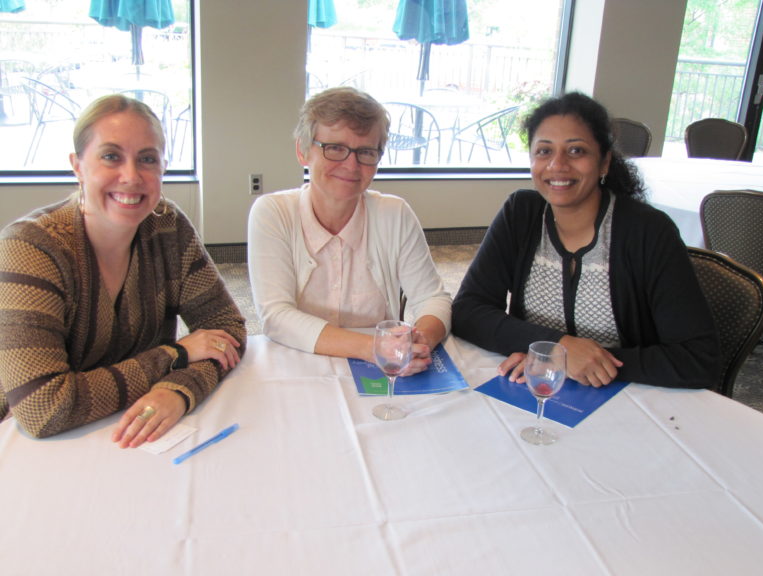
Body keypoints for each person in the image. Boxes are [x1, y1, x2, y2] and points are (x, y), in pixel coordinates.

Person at [0, 94, 246, 446]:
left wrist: (179, 390)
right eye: (111, 156)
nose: (131, 176)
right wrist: (175, 355)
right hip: (30, 443)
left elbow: (227, 330)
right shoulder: (30, 247)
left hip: (133, 434)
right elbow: (45, 408)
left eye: (147, 159)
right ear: (78, 166)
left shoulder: (168, 226)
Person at [452, 92, 720, 389]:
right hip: (540, 392)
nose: (557, 165)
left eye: (576, 151)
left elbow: (699, 359)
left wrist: (589, 361)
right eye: (543, 151)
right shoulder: (521, 214)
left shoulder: (648, 231)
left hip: (631, 400)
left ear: (604, 162)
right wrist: (553, 350)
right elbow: (467, 311)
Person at [247, 86, 450, 371]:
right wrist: (373, 348)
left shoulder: (395, 214)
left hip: (380, 370)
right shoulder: (273, 213)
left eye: (366, 152)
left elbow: (433, 299)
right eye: (335, 149)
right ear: (303, 151)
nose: (351, 165)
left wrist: (419, 339)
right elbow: (276, 316)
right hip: (299, 364)